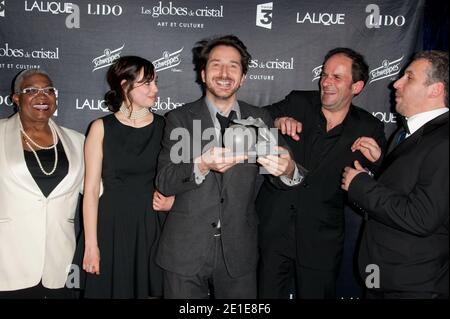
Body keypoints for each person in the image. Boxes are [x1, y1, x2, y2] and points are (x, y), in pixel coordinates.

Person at [155, 35, 304, 299]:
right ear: (202, 73)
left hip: (239, 252)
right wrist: (201, 164)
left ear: (243, 77)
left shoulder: (259, 118)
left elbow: (285, 175)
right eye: (215, 65)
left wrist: (289, 168)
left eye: (233, 66)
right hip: (185, 250)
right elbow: (166, 181)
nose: (224, 73)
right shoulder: (179, 118)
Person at [256, 48, 387, 299]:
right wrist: (276, 121)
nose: (326, 82)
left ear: (357, 87)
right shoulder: (297, 102)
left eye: (337, 77)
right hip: (274, 229)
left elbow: (389, 179)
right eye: (325, 74)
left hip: (321, 239)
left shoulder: (369, 126)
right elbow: (254, 119)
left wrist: (379, 160)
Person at [342, 51, 449, 299]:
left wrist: (361, 185)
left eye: (408, 77)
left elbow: (422, 217)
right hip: (384, 277)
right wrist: (382, 163)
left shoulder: (444, 141)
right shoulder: (406, 133)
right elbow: (411, 184)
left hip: (414, 286)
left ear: (435, 90)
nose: (395, 83)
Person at [79, 56, 174, 298]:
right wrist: (91, 246)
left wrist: (172, 202)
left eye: (155, 82)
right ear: (124, 85)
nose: (155, 89)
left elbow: (180, 178)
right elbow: (90, 190)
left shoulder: (167, 127)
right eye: (147, 83)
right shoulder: (100, 128)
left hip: (152, 227)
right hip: (111, 226)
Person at [0, 69, 84, 298]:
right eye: (32, 91)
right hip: (7, 262)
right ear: (16, 98)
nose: (42, 96)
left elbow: (101, 194)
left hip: (59, 264)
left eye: (48, 90)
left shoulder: (78, 142)